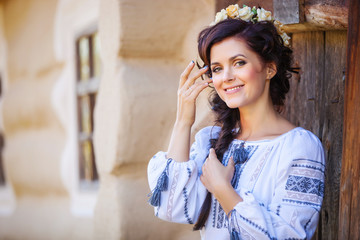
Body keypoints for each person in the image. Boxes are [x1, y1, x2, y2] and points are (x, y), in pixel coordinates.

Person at [147, 4, 325, 240]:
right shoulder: (210, 141)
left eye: (239, 62)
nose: (226, 77)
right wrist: (183, 122)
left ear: (270, 68)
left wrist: (223, 190)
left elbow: (289, 236)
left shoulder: (299, 148)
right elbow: (171, 207)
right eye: (217, 68)